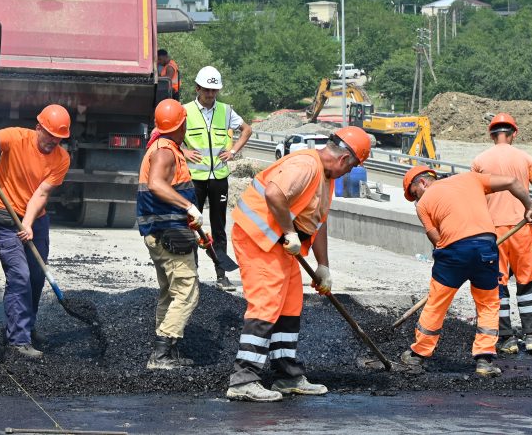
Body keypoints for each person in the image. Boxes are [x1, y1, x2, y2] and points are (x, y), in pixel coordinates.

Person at [226, 126, 371, 402]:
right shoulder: (305, 165)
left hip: (282, 246)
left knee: (290, 305)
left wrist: (323, 265)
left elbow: (317, 221)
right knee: (266, 304)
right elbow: (274, 194)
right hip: (259, 239)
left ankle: (286, 375)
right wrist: (290, 232)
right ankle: (243, 379)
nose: (349, 172)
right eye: (352, 167)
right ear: (344, 159)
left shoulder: (325, 177)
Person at [399, 166, 532, 378]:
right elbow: (512, 181)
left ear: (422, 183)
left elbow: (436, 240)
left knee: (437, 302)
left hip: (453, 252)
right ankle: (485, 361)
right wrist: (528, 206)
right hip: (486, 247)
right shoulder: (471, 178)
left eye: (415, 193)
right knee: (489, 303)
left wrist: (454, 256)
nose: (417, 199)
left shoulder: (424, 205)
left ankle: (418, 354)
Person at [0, 104, 72, 359]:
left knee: (36, 277)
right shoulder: (17, 137)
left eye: (58, 138)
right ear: (38, 128)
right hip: (4, 216)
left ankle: (26, 325)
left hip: (35, 220)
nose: (53, 141)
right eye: (49, 135)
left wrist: (28, 222)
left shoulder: (62, 158)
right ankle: (18, 342)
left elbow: (42, 193)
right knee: (20, 277)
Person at [470, 112, 532, 355]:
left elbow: (474, 199)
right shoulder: (525, 158)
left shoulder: (479, 160)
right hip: (522, 229)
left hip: (493, 233)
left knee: (499, 286)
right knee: (527, 283)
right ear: (514, 133)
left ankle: (506, 340)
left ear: (491, 134)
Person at [137, 99, 202, 370]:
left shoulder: (164, 146)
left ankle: (167, 351)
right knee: (187, 291)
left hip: (164, 231)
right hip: (168, 234)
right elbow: (155, 183)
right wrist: (189, 206)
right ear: (182, 123)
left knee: (169, 292)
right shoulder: (165, 152)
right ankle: (161, 354)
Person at [182, 65, 252, 291]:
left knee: (219, 227)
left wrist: (233, 152)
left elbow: (247, 130)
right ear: (197, 88)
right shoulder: (185, 111)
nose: (211, 95)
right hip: (195, 179)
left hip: (219, 178)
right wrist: (182, 151)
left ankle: (221, 274)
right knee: (192, 226)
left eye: (214, 91)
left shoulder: (226, 111)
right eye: (206, 90)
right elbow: (163, 134)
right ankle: (191, 276)